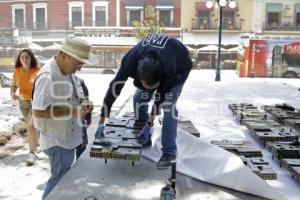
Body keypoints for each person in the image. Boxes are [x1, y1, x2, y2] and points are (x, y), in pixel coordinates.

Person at [95, 34, 193, 169]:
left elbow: (161, 98)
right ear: (138, 77)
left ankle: (169, 151)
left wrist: (150, 123)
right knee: (139, 97)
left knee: (169, 107)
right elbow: (114, 89)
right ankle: (142, 132)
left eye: (154, 87)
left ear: (160, 80)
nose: (152, 90)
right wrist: (101, 121)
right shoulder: (130, 62)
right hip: (152, 60)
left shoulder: (169, 69)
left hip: (180, 66)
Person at [32, 37, 94, 199]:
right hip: (57, 141)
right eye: (76, 64)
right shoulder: (47, 76)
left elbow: (73, 96)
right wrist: (74, 112)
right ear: (63, 55)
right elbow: (38, 111)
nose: (78, 69)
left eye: (81, 65)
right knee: (58, 180)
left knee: (63, 178)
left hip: (68, 137)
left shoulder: (67, 71)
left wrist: (83, 103)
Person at [11, 49, 40, 165]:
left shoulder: (38, 70)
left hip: (36, 102)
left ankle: (31, 153)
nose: (24, 59)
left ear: (31, 58)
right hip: (22, 103)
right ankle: (37, 144)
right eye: (22, 57)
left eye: (27, 57)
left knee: (30, 127)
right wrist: (12, 93)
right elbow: (13, 84)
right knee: (33, 126)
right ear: (19, 59)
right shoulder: (17, 71)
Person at [76, 77, 91, 159]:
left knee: (81, 147)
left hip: (80, 122)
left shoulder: (80, 81)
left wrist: (88, 118)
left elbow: (87, 100)